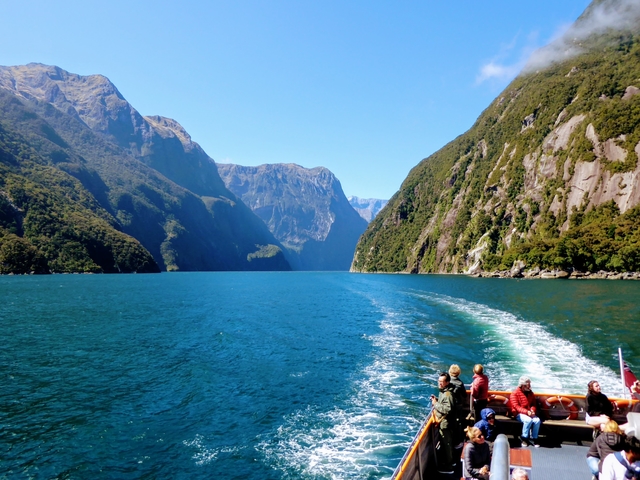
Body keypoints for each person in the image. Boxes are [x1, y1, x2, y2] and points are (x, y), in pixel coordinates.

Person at [431, 372, 456, 474]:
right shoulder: (444, 392)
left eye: (442, 382)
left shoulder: (447, 394)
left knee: (447, 445)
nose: (439, 383)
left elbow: (448, 409)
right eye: (439, 381)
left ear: (447, 382)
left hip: (445, 424)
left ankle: (449, 467)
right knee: (447, 444)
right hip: (446, 423)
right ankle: (450, 462)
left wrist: (436, 404)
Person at [510, 376, 541, 447]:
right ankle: (524, 438)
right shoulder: (514, 393)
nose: (529, 386)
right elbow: (516, 407)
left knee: (537, 420)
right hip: (518, 413)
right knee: (528, 420)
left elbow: (533, 404)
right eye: (528, 385)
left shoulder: (530, 393)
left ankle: (534, 438)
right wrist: (527, 412)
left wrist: (532, 410)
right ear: (523, 385)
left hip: (528, 412)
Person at [449, 364, 466, 446]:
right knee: (458, 423)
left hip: (448, 406)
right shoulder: (460, 383)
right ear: (459, 373)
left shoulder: (447, 382)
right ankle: (458, 441)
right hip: (457, 406)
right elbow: (464, 395)